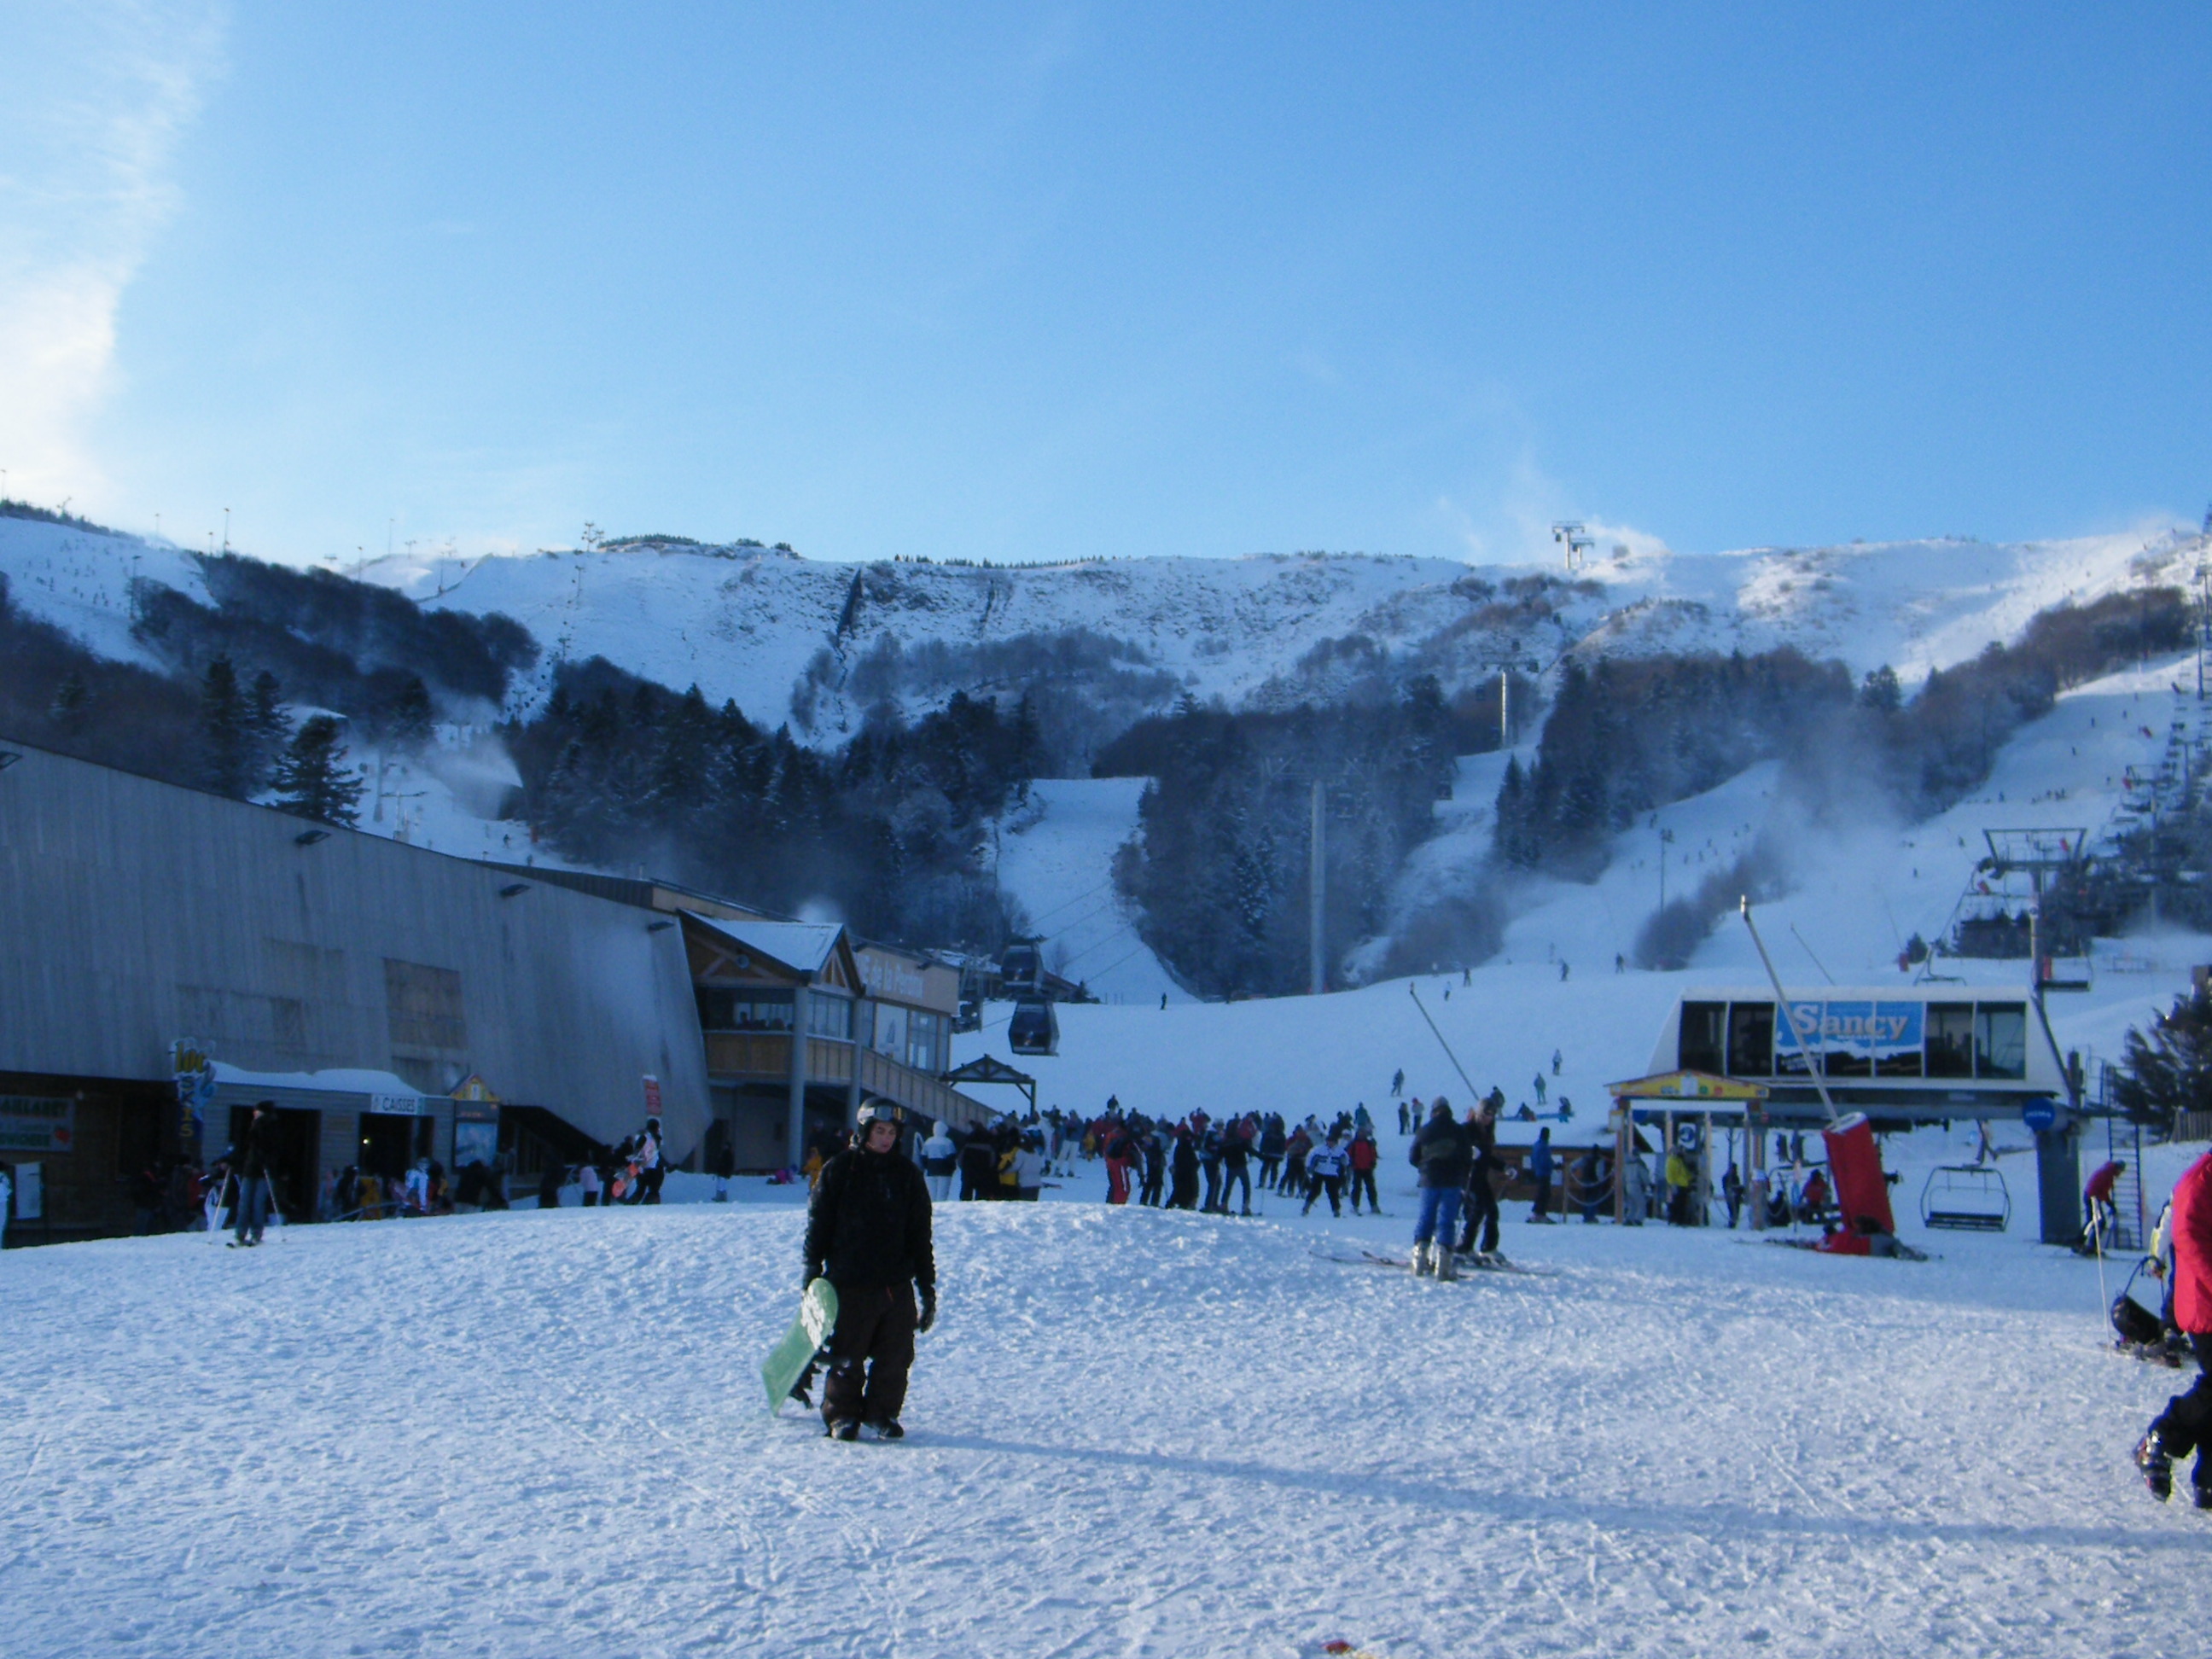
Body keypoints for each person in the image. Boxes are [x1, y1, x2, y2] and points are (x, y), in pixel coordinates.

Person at [804, 1103, 936, 1441]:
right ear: (864, 1132)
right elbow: (819, 1224)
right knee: (848, 1354)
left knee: (896, 1355)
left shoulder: (907, 1175)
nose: (886, 1138)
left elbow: (920, 1235)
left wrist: (927, 1288)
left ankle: (882, 1412)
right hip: (851, 1282)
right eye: (879, 1131)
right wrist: (812, 1270)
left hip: (895, 1283)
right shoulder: (840, 1170)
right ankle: (842, 1415)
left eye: (891, 1132)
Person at [2135, 1147, 2212, 1506]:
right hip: (2204, 1305)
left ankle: (2208, 1481)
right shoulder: (2200, 1180)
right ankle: (2163, 1436)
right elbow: (2187, 1236)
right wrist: (2156, 1257)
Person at [1408, 1100, 1470, 1273]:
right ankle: (1444, 1260)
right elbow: (1467, 1157)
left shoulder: (1425, 1130)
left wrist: (1424, 1167)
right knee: (1447, 1220)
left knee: (1426, 1217)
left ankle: (1420, 1256)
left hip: (1429, 1179)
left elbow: (1413, 1156)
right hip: (1452, 1180)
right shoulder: (1458, 1130)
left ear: (1433, 1111)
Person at [1456, 1098, 1503, 1255]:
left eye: (1491, 1115)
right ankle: (1464, 1246)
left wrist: (1504, 1167)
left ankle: (1488, 1247)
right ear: (1478, 1113)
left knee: (1491, 1211)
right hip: (1468, 1176)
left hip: (1480, 1176)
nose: (1488, 1118)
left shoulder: (1488, 1132)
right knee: (1478, 1209)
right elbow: (1457, 1151)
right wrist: (1469, 1153)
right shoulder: (1467, 1129)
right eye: (1485, 1114)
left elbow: (1487, 1157)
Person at [230, 1103, 279, 1249]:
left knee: (250, 1202)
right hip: (253, 1168)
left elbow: (266, 1145)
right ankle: (248, 1233)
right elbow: (246, 1145)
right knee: (251, 1202)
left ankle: (248, 1233)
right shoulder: (254, 1125)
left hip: (260, 1169)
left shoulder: (268, 1126)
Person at [1302, 1131, 1350, 1217]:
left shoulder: (1340, 1151)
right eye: (1329, 1141)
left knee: (1333, 1192)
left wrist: (1343, 1170)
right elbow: (1310, 1157)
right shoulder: (1318, 1149)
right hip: (1319, 1172)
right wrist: (1309, 1168)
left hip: (1332, 1173)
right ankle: (1306, 1207)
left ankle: (1336, 1210)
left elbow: (1346, 1161)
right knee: (1315, 1191)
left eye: (1332, 1141)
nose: (1330, 1143)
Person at [2081, 1159, 2124, 1252]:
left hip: (2090, 1195)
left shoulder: (2107, 1171)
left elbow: (2103, 1192)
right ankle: (2090, 1246)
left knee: (2092, 1221)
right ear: (2117, 1168)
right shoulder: (2108, 1174)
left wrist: (2110, 1204)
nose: (2120, 1174)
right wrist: (2111, 1205)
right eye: (2120, 1171)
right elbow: (2103, 1192)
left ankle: (2080, 1242)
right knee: (2100, 1223)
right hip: (2092, 1197)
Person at [921, 1121, 957, 1202]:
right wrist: (951, 1169)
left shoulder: (928, 1142)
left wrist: (927, 1167)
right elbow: (951, 1158)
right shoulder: (948, 1142)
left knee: (931, 1195)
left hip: (931, 1170)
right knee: (942, 1195)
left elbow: (923, 1157)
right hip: (944, 1172)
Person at [1347, 1129, 1380, 1216]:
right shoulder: (1353, 1144)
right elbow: (1349, 1155)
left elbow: (1373, 1154)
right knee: (1357, 1188)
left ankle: (1374, 1205)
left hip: (1368, 1169)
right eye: (1360, 1133)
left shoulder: (1369, 1144)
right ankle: (1355, 1205)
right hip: (1357, 1168)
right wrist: (1352, 1164)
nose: (1362, 1135)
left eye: (1363, 1133)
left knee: (1371, 1188)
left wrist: (1373, 1163)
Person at [1528, 1127, 1556, 1224]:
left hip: (1538, 1172)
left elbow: (1533, 1158)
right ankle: (1540, 1214)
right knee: (1544, 1194)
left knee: (1541, 1193)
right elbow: (1546, 1160)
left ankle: (1537, 1213)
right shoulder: (1544, 1146)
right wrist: (1554, 1165)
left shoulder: (1536, 1145)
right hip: (1544, 1173)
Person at [637, 1117, 666, 1204]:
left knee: (642, 1190)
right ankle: (648, 1203)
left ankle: (636, 1204)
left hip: (648, 1167)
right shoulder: (651, 1138)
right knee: (651, 1189)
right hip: (651, 1168)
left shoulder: (650, 1138)